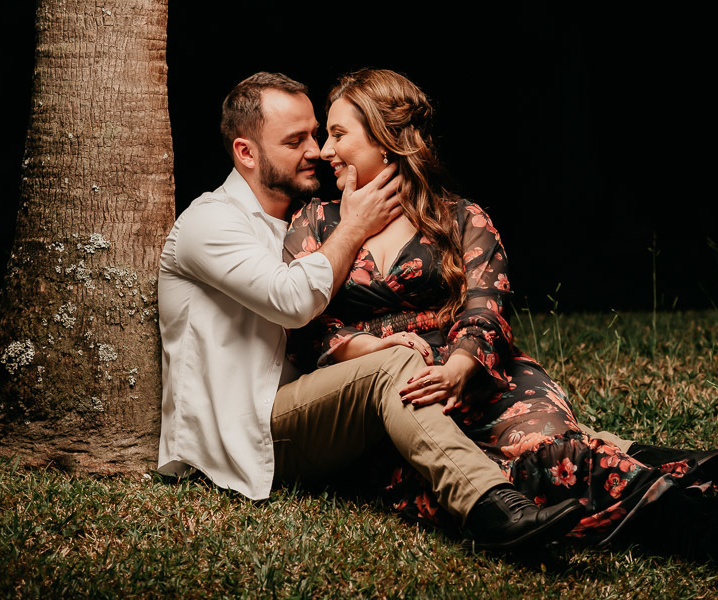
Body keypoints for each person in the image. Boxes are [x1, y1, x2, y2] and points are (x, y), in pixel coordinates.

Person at [283, 68, 718, 586]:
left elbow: (486, 306)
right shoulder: (316, 222)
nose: (325, 151)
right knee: (505, 478)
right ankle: (651, 475)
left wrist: (460, 366)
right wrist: (369, 346)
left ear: (386, 139)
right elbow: (304, 327)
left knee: (559, 456)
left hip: (478, 375)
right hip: (396, 395)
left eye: (338, 134)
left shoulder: (459, 218)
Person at [155, 72, 587, 551]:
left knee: (527, 428)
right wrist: (356, 225)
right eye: (296, 141)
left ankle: (623, 458)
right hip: (248, 430)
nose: (318, 151)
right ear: (246, 153)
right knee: (393, 365)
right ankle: (488, 507)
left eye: (318, 134)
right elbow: (295, 302)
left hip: (317, 409)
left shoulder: (294, 222)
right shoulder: (210, 222)